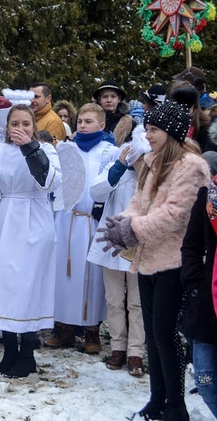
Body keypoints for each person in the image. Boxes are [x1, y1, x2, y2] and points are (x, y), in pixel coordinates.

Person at [98, 100, 210, 421]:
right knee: (153, 334)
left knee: (165, 334)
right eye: (146, 129)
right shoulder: (154, 160)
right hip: (146, 260)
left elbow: (175, 215)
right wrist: (124, 223)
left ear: (172, 131)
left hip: (173, 263)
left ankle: (176, 407)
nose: (148, 136)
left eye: (154, 130)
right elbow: (138, 202)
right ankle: (157, 399)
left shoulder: (191, 166)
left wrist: (132, 229)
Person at [0, 104, 62, 377]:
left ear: (33, 126)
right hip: (5, 220)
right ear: (7, 126)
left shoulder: (45, 150)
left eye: (26, 124)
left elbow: (49, 181)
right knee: (4, 285)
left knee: (27, 286)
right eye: (15, 123)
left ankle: (27, 354)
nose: (21, 129)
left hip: (32, 221)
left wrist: (30, 148)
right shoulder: (0, 151)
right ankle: (9, 351)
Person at [47, 103, 116, 354]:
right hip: (66, 219)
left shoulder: (109, 151)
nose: (83, 126)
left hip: (91, 220)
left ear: (102, 125)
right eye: (80, 122)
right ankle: (63, 328)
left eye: (89, 122)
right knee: (63, 274)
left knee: (91, 277)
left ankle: (91, 331)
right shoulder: (66, 149)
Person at [86, 126, 147, 376]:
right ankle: (118, 346)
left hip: (139, 243)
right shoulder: (115, 165)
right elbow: (96, 191)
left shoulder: (150, 174)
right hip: (110, 241)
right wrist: (119, 166)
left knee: (137, 301)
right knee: (113, 300)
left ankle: (136, 351)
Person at [180, 181, 217, 420]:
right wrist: (195, 282)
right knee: (206, 381)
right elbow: (191, 245)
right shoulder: (211, 194)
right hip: (208, 302)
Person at [93, 79, 134, 144]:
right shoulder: (89, 119)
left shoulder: (129, 123)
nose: (109, 100)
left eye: (113, 97)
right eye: (105, 97)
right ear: (99, 99)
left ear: (119, 99)